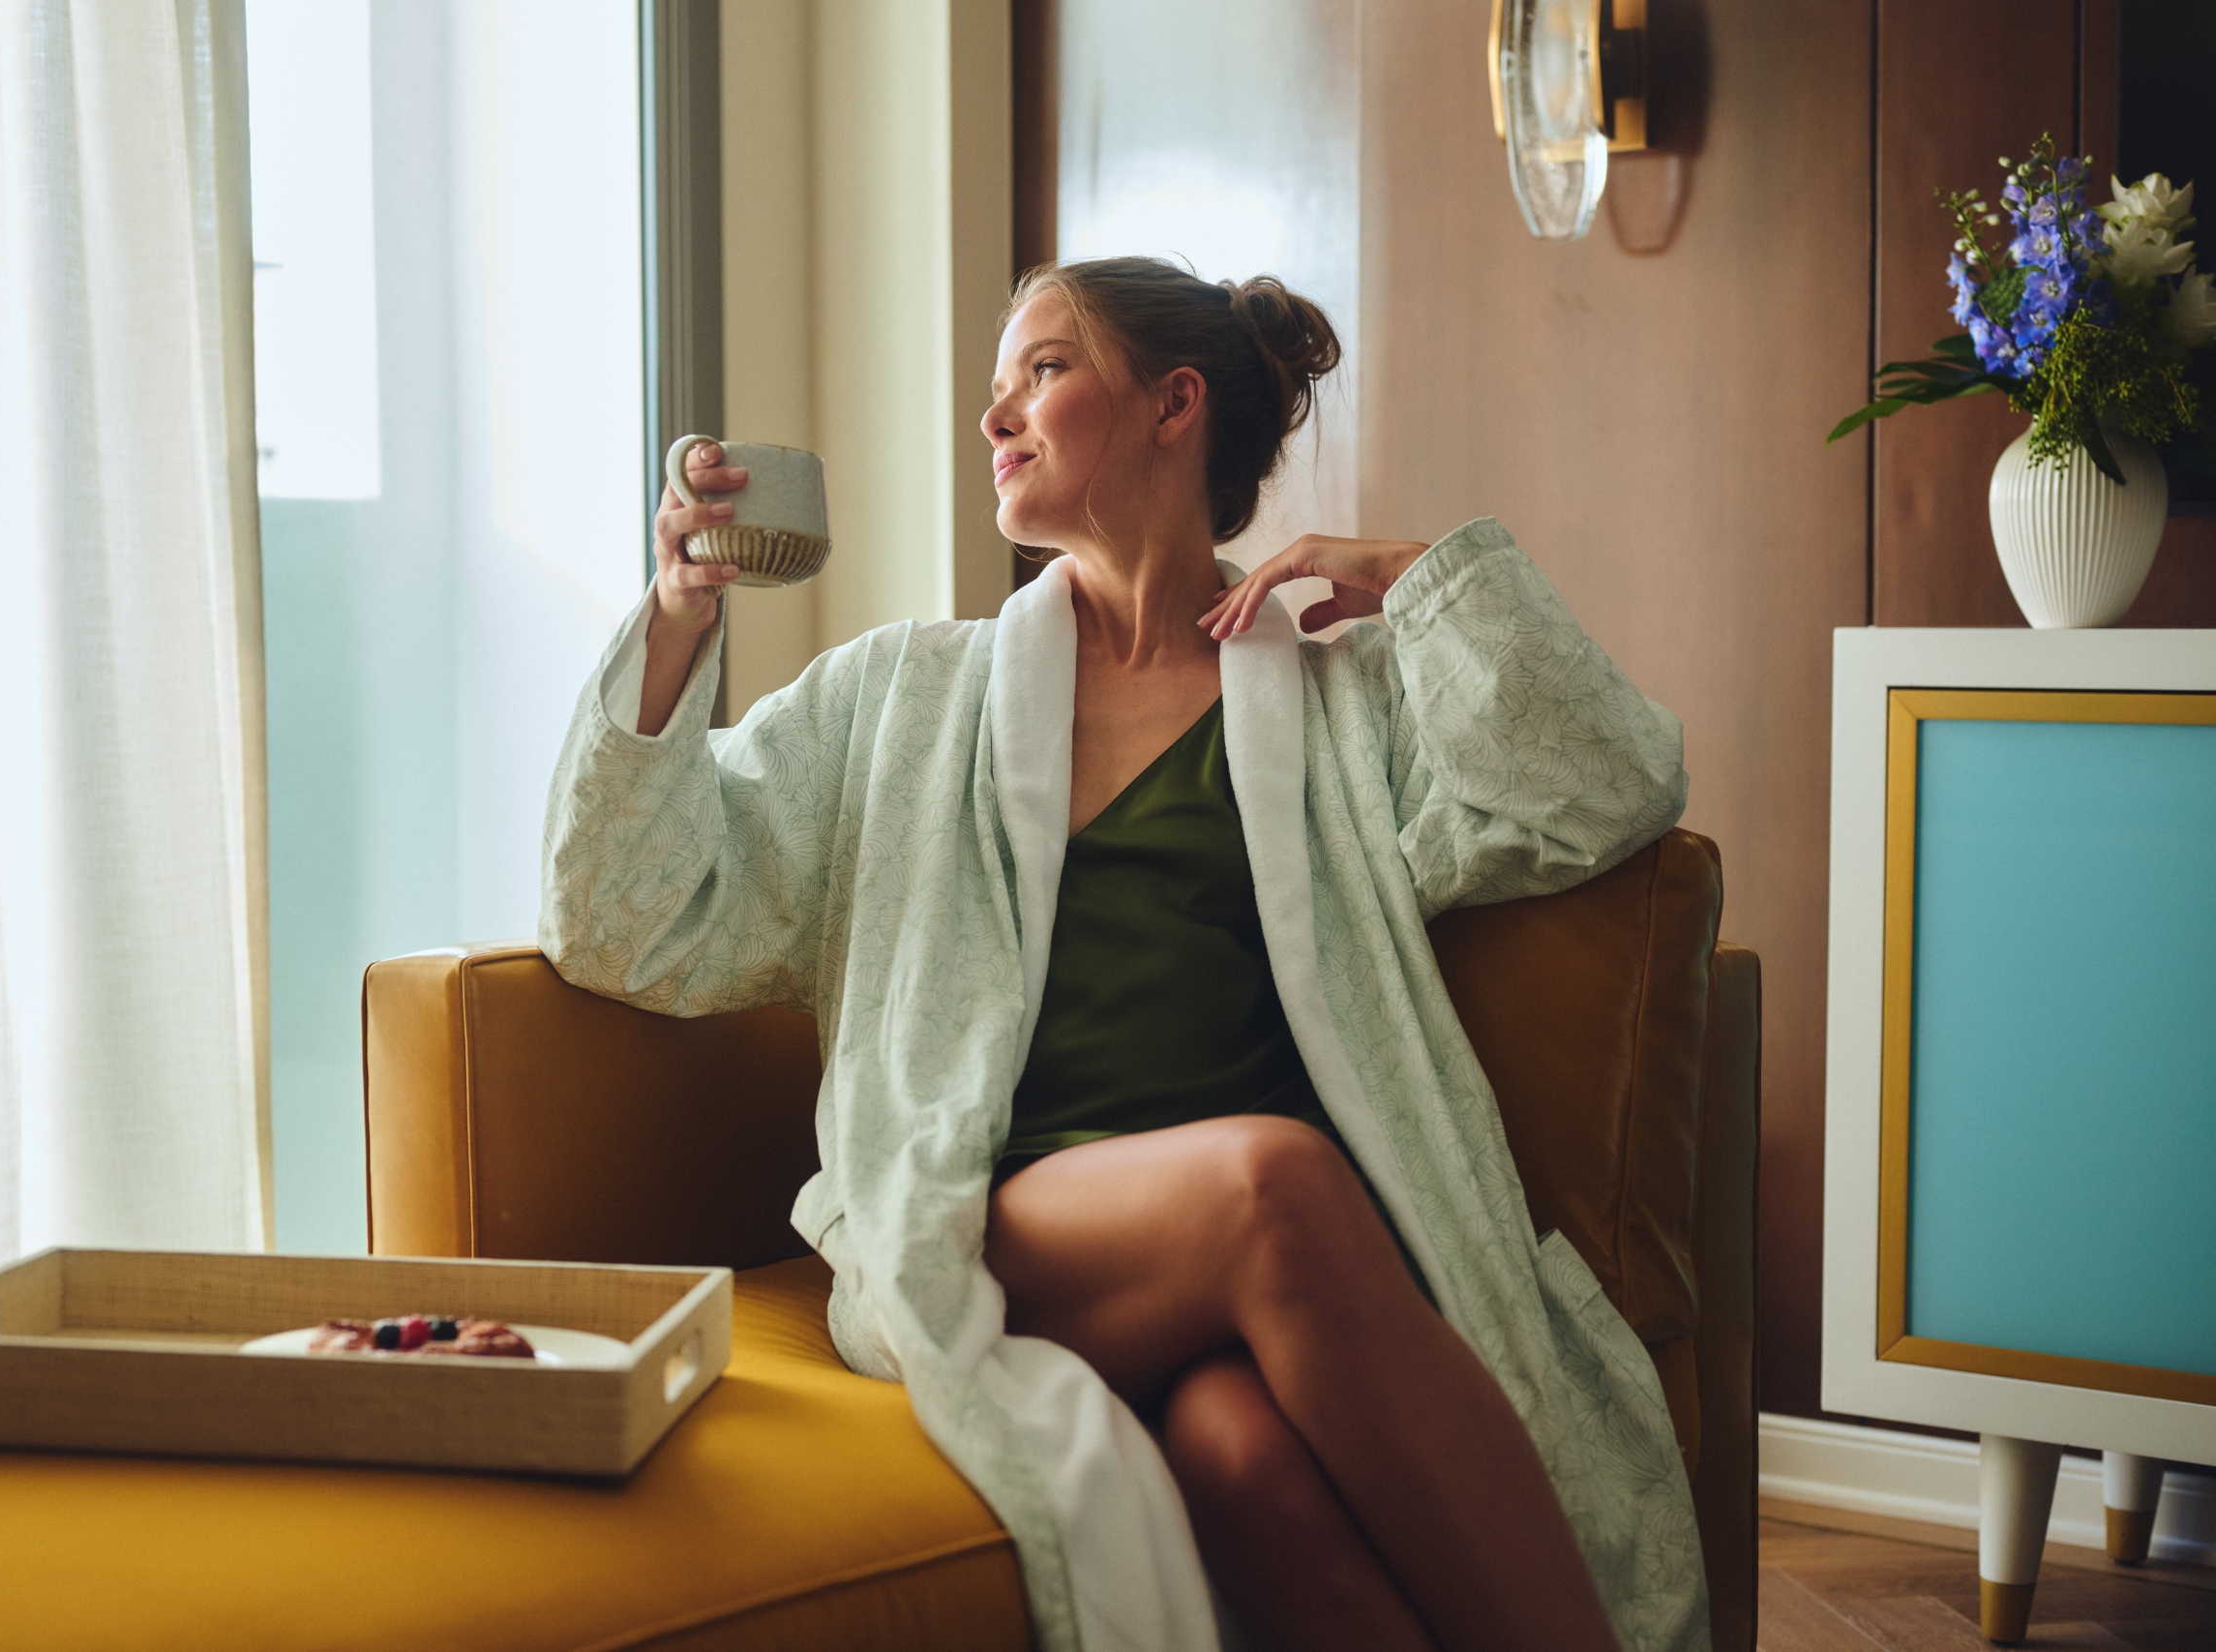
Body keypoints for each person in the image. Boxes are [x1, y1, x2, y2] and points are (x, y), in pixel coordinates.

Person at [542, 256, 1706, 1652]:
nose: (994, 420)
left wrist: (1409, 580)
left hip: (1270, 1275)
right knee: (1273, 1182)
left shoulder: (1342, 709)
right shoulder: (905, 700)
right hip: (1012, 1225)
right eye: (993, 390)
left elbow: (1613, 782)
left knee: (1242, 1460)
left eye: (1039, 370)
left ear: (1174, 404)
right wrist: (680, 615)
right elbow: (627, 912)